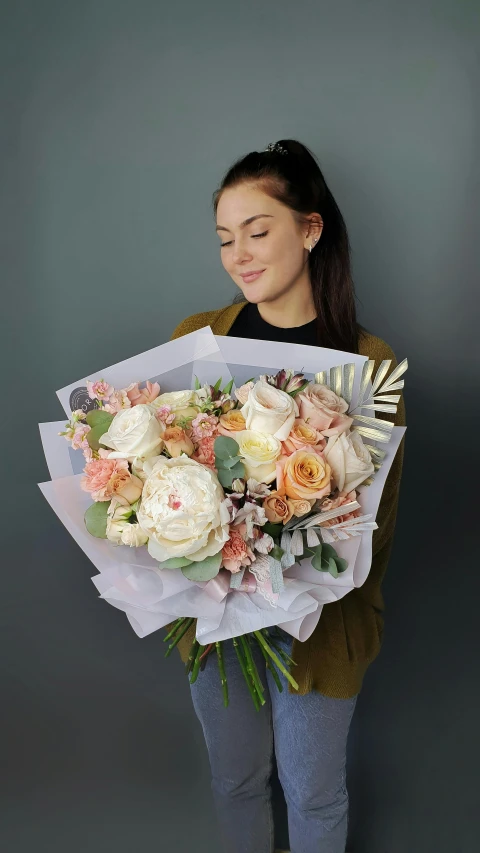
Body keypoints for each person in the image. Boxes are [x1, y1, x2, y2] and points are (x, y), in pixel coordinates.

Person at [168, 139, 406, 853]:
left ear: (310, 228)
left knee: (312, 791)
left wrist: (286, 541)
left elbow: (376, 523)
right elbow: (165, 475)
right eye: (224, 238)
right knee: (235, 782)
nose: (239, 253)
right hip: (217, 619)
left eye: (258, 230)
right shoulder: (195, 339)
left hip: (322, 624)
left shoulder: (369, 363)